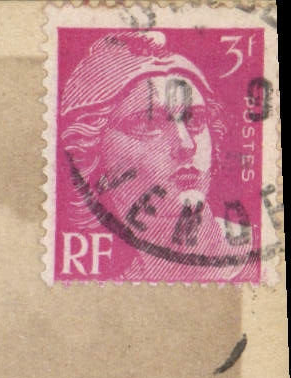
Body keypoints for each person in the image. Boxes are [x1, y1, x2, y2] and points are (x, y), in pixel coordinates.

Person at [59, 31, 255, 280]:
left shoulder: (259, 257)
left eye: (195, 120)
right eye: (148, 125)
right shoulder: (113, 286)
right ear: (91, 155)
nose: (186, 145)